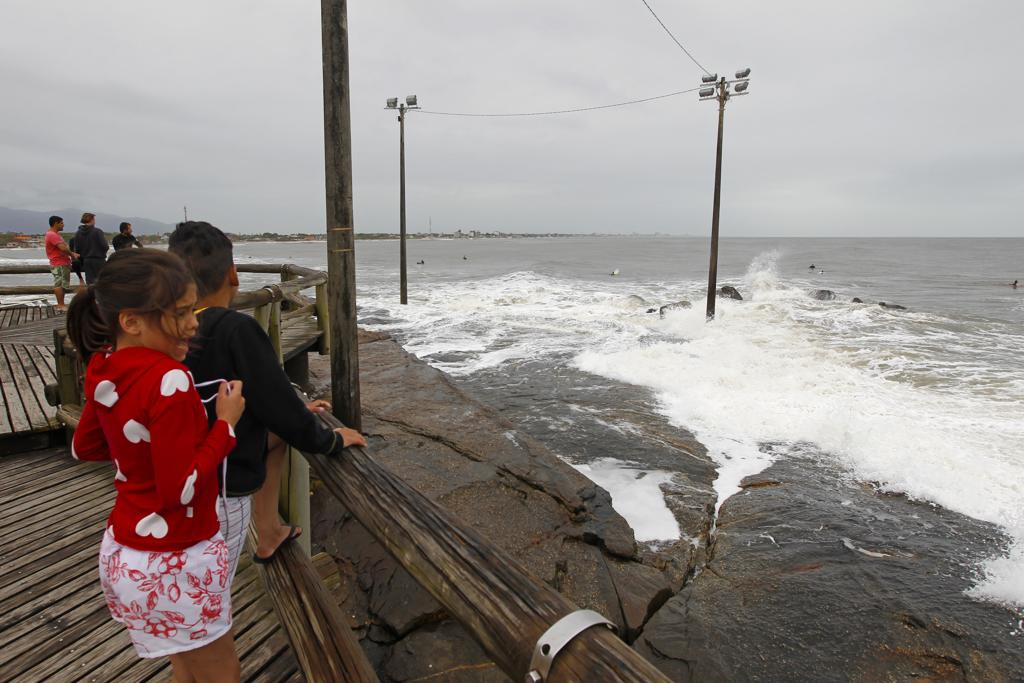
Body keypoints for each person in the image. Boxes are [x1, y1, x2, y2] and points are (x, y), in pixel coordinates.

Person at [66, 249, 245, 681]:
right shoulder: (171, 380)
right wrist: (225, 425)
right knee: (220, 670)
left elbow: (84, 446)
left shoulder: (105, 364)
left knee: (185, 663)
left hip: (126, 553)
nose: (193, 323)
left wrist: (141, 451)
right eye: (181, 313)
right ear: (131, 321)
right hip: (177, 559)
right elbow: (178, 490)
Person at [168, 221, 365, 579]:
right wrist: (331, 439)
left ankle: (270, 530)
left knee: (274, 440)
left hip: (175, 479)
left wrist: (292, 411)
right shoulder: (235, 330)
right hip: (220, 492)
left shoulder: (165, 331)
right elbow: (277, 403)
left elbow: (265, 405)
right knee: (212, 596)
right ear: (233, 274)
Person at [44, 215, 77, 312]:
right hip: (59, 263)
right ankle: (60, 305)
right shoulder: (52, 235)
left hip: (62, 262)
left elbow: (62, 249)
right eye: (61, 223)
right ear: (56, 223)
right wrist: (72, 255)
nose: (63, 225)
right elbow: (63, 248)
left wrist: (72, 253)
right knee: (59, 284)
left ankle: (61, 304)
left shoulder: (55, 235)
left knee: (63, 284)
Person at [74, 212, 109, 284]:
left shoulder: (78, 233)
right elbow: (105, 246)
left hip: (86, 261)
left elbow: (77, 249)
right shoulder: (97, 231)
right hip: (99, 260)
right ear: (92, 220)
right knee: (102, 282)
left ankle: (91, 295)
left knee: (90, 283)